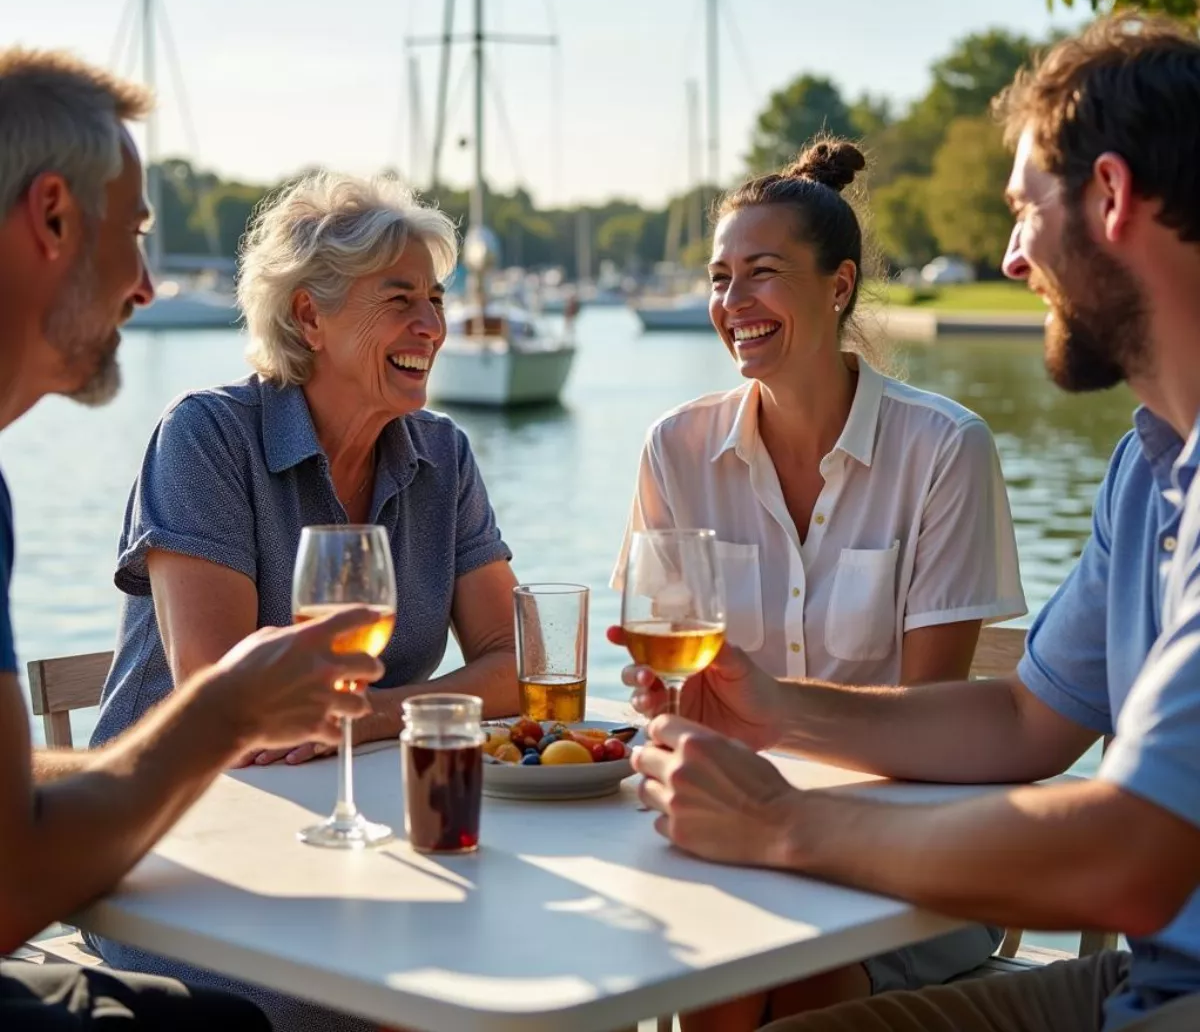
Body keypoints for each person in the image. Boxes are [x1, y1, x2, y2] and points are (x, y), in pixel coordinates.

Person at [621, 14, 1200, 1032]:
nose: (1013, 259)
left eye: (1024, 211)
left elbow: (1137, 855)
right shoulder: (1146, 468)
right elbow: (1025, 719)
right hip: (1147, 975)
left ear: (1108, 197)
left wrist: (784, 822)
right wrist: (777, 711)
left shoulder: (956, 445)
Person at [0, 51, 387, 1028]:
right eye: (132, 235)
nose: (146, 285)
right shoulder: (207, 433)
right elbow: (13, 885)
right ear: (52, 217)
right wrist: (224, 713)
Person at [86, 172, 520, 1024]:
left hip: (367, 840)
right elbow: (224, 695)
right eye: (399, 300)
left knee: (518, 963)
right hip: (177, 847)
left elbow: (517, 668)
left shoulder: (443, 455)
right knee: (349, 1006)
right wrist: (414, 712)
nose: (432, 325)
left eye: (435, 298)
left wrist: (383, 712)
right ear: (308, 317)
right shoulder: (207, 438)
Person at [612, 139, 1026, 1028]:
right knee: (712, 979)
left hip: (909, 850)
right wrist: (668, 701)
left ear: (838, 286)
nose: (732, 304)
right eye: (720, 278)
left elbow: (932, 721)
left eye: (761, 274)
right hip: (730, 836)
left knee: (796, 992)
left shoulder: (945, 450)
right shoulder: (675, 451)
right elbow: (674, 688)